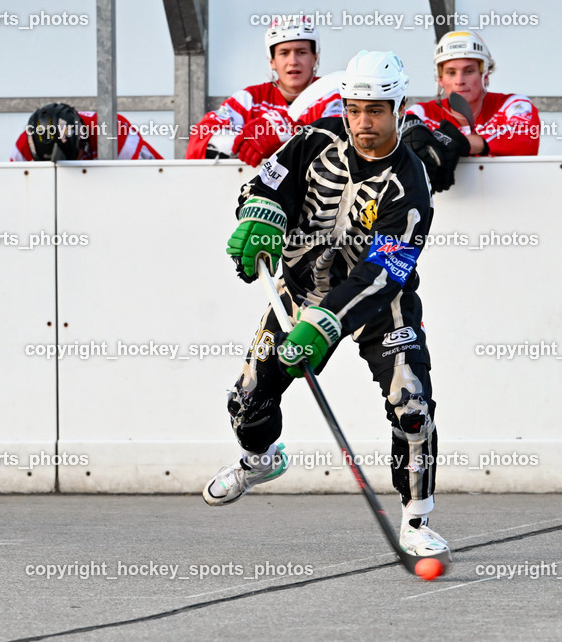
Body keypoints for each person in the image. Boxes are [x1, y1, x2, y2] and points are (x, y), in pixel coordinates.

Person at [202, 50, 450, 560]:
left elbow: (384, 271)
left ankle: (417, 519)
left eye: (377, 110)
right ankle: (261, 459)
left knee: (412, 407)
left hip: (380, 305)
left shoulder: (412, 183)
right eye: (356, 109)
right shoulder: (317, 138)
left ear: (400, 108)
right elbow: (267, 182)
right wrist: (258, 220)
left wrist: (326, 324)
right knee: (245, 404)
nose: (364, 122)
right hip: (298, 292)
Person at [186, 15, 343, 165]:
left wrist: (287, 133)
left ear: (315, 58)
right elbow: (201, 135)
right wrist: (241, 144)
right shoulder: (249, 99)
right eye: (284, 53)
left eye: (301, 52)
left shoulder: (332, 93)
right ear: (272, 61)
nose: (293, 61)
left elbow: (341, 143)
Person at [403, 31, 540, 190]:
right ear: (440, 79)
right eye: (451, 73)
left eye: (469, 71)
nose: (459, 81)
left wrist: (465, 143)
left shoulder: (513, 104)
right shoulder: (421, 113)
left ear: (485, 75)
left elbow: (527, 137)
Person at [10, 102, 163, 161]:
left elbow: (151, 182)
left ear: (82, 140)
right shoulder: (22, 148)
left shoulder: (115, 134)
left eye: (74, 158)